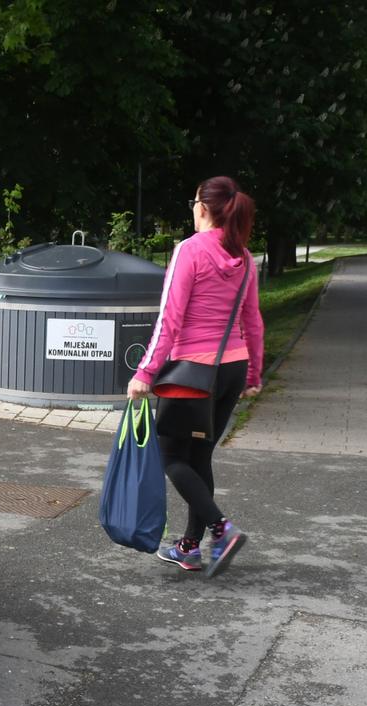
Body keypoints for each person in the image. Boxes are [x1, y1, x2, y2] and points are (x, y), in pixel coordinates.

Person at [127, 176, 264, 578]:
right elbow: (253, 321)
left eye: (193, 202)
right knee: (199, 457)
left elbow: (169, 320)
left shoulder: (189, 250)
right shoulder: (244, 258)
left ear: (203, 207)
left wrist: (145, 372)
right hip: (231, 369)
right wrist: (254, 372)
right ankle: (189, 548)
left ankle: (222, 529)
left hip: (191, 373)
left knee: (169, 456)